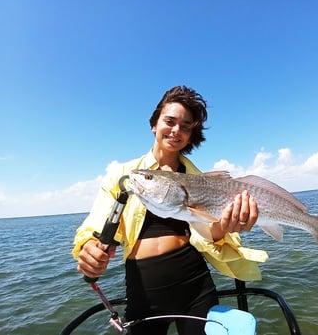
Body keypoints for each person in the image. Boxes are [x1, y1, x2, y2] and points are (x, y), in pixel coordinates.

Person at [72, 85, 269, 335]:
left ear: (191, 135)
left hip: (195, 283)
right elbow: (96, 223)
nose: (177, 130)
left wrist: (226, 226)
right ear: (154, 124)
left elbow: (209, 235)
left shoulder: (200, 179)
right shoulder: (124, 175)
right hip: (143, 289)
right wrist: (88, 246)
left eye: (186, 126)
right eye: (170, 121)